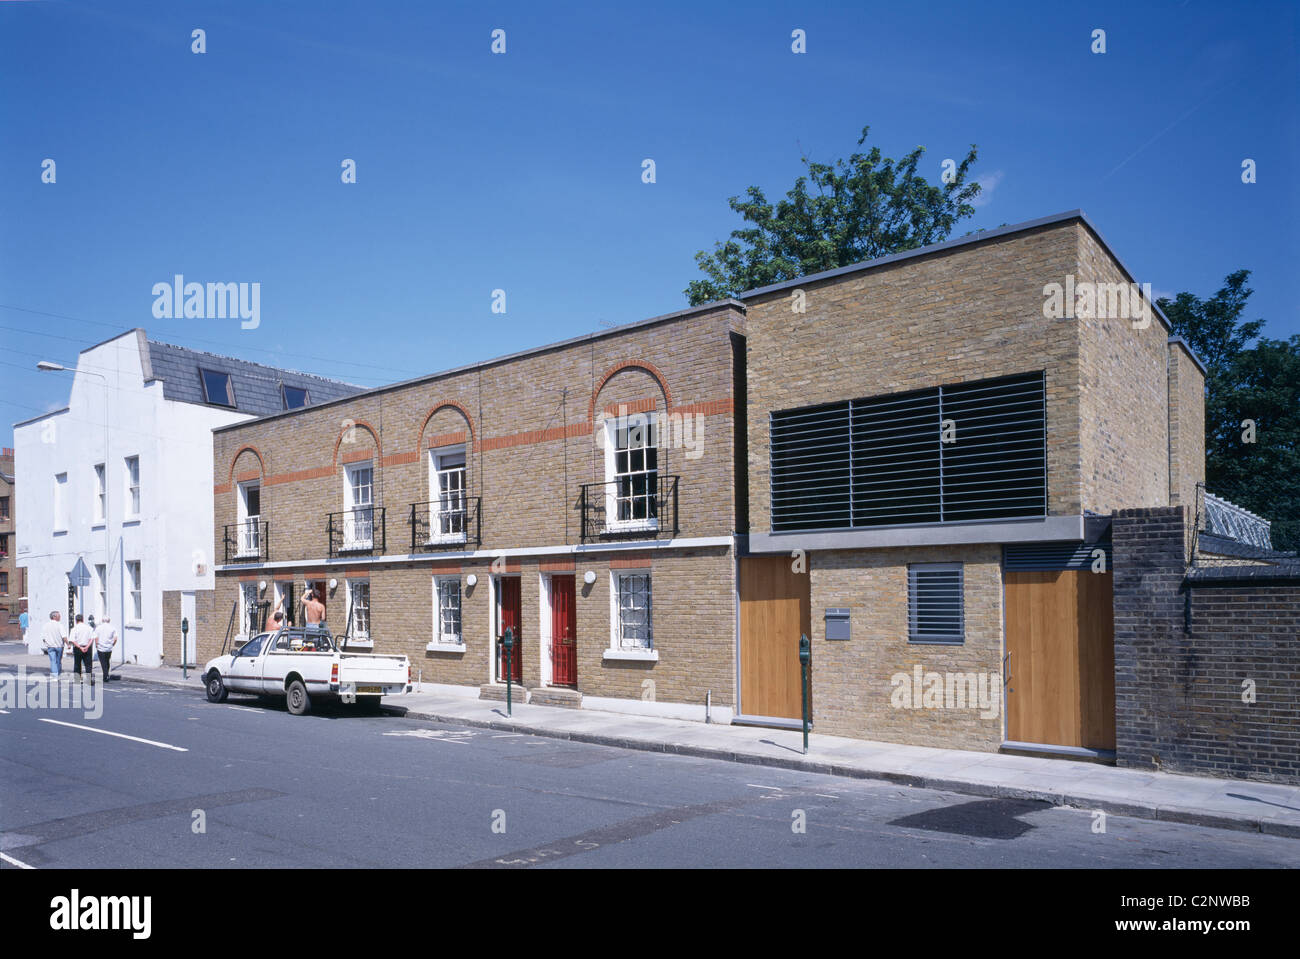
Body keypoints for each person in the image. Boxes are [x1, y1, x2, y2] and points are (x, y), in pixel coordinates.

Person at [70, 614, 95, 683]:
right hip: (87, 647)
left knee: (77, 664)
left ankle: (77, 680)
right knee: (88, 665)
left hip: (78, 648)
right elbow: (92, 639)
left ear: (76, 620)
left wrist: (80, 647)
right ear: (83, 620)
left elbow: (73, 640)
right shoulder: (89, 628)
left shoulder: (74, 629)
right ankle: (89, 680)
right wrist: (87, 646)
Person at [40, 611, 66, 678]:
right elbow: (64, 636)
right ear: (54, 617)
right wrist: (68, 644)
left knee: (53, 661)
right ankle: (58, 673)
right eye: (58, 616)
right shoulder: (60, 625)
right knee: (58, 661)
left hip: (50, 646)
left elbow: (43, 637)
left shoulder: (45, 625)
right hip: (59, 646)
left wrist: (46, 643)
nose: (60, 617)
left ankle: (55, 675)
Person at [93, 615, 118, 684]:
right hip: (109, 648)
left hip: (101, 648)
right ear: (109, 621)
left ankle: (105, 675)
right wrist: (112, 644)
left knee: (103, 662)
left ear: (102, 620)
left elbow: (96, 637)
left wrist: (96, 645)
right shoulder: (112, 628)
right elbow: (115, 638)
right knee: (107, 661)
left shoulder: (98, 628)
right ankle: (106, 674)